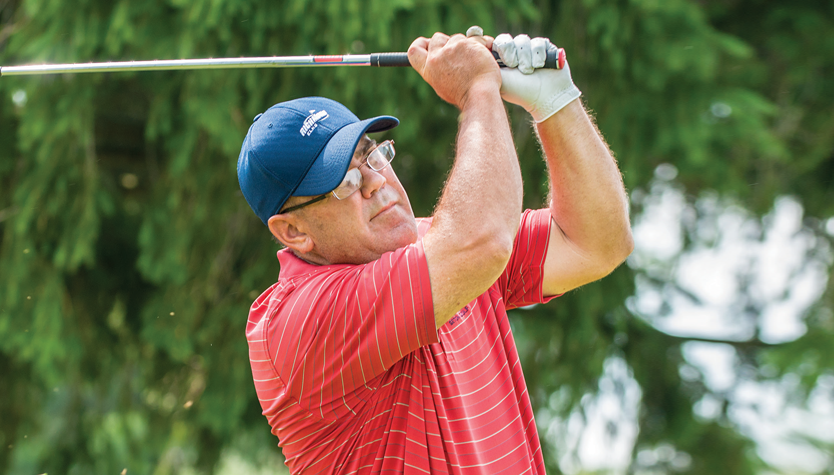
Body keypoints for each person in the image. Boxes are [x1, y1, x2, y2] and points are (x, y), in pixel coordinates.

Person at [235, 27, 633, 474]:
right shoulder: (298, 320)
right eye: (344, 183)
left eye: (373, 156)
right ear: (293, 232)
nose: (377, 182)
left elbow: (596, 243)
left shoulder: (443, 243)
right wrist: (478, 90)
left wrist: (555, 102)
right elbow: (480, 242)